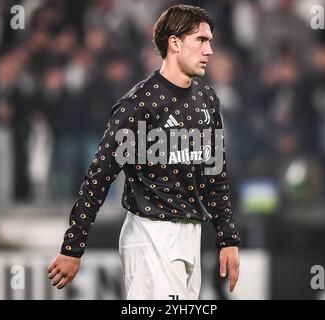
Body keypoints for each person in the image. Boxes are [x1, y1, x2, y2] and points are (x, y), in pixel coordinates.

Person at [48, 5, 241, 299]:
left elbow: (215, 175)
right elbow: (99, 177)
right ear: (174, 43)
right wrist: (73, 247)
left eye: (210, 41)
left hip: (192, 236)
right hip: (152, 236)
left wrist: (228, 238)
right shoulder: (139, 106)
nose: (210, 50)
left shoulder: (207, 98)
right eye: (201, 40)